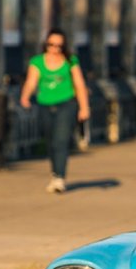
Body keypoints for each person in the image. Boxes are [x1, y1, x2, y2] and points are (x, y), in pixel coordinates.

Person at [20, 29, 90, 193]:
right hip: (45, 104)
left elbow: (79, 84)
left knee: (61, 139)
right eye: (51, 45)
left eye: (59, 45)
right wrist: (25, 97)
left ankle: (60, 177)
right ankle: (55, 172)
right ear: (46, 44)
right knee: (51, 141)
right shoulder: (37, 62)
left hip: (67, 103)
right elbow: (31, 81)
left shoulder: (70, 61)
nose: (55, 48)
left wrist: (84, 107)